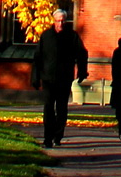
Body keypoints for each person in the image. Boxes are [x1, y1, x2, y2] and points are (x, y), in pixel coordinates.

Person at [33, 9, 85, 148]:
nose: (60, 23)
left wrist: (82, 72)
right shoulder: (46, 36)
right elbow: (38, 57)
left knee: (62, 108)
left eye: (63, 20)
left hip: (64, 78)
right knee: (48, 107)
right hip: (48, 78)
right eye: (58, 21)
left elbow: (81, 53)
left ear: (66, 21)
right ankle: (48, 137)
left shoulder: (72, 36)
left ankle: (58, 136)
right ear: (54, 21)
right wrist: (35, 77)